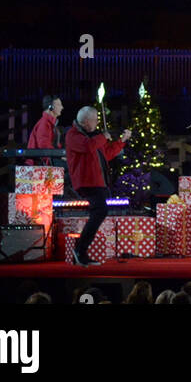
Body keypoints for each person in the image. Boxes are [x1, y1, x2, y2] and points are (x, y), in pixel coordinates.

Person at [64, 106, 130, 266]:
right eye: (95, 119)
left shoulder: (92, 137)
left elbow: (105, 154)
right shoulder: (73, 135)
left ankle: (80, 252)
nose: (97, 122)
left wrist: (121, 141)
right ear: (86, 121)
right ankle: (80, 249)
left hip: (97, 181)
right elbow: (88, 146)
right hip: (87, 181)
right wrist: (103, 136)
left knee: (99, 211)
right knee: (100, 210)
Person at [25, 95, 64, 166]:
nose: (62, 107)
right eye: (59, 105)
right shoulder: (44, 124)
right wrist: (61, 156)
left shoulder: (50, 124)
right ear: (50, 107)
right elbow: (44, 147)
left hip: (51, 159)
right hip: (43, 163)